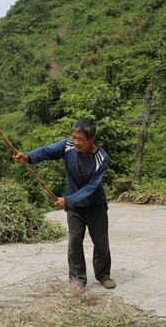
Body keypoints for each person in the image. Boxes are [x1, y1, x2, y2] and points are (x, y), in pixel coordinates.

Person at [13, 119, 114, 289]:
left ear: (92, 139)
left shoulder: (101, 158)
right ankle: (77, 280)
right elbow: (46, 151)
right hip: (74, 208)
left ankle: (103, 275)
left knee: (101, 241)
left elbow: (91, 187)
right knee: (74, 241)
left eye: (80, 139)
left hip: (95, 206)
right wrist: (28, 157)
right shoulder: (67, 146)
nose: (75, 142)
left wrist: (68, 200)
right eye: (73, 137)